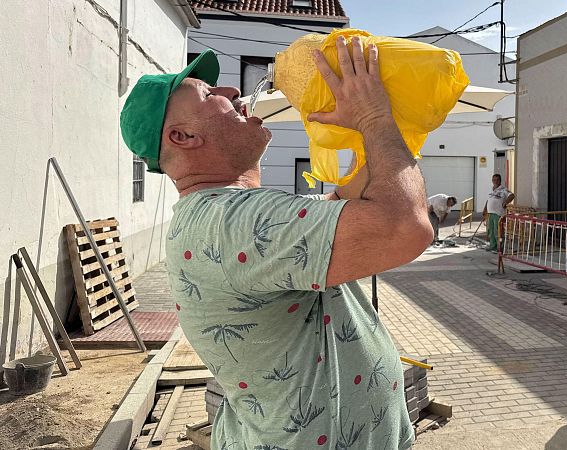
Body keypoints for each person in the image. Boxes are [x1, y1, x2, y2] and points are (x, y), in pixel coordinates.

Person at [119, 36, 431, 449]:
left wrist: (367, 128)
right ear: (184, 136)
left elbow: (344, 200)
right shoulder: (233, 222)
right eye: (211, 93)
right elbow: (405, 226)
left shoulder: (231, 215)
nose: (233, 91)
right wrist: (374, 117)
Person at [482, 174, 514, 252]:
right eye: (494, 180)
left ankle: (499, 248)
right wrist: (485, 209)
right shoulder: (491, 190)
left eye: (497, 180)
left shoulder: (503, 189)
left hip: (498, 213)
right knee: (491, 231)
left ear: (500, 181)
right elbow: (488, 200)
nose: (495, 181)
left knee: (498, 231)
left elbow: (512, 195)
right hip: (490, 213)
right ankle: (492, 246)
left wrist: (505, 202)